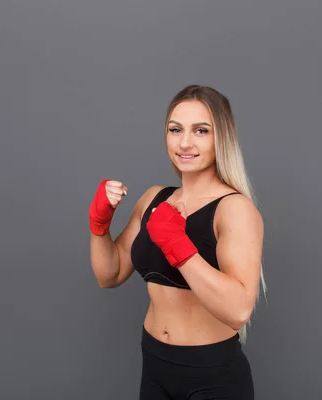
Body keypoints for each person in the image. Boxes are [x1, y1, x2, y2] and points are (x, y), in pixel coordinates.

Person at [89, 85, 266, 399]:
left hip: (212, 376)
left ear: (221, 137)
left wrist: (177, 243)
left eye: (201, 130)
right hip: (155, 364)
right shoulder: (154, 199)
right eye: (175, 129)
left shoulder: (234, 209)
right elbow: (110, 275)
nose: (185, 142)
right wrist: (99, 225)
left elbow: (239, 311)